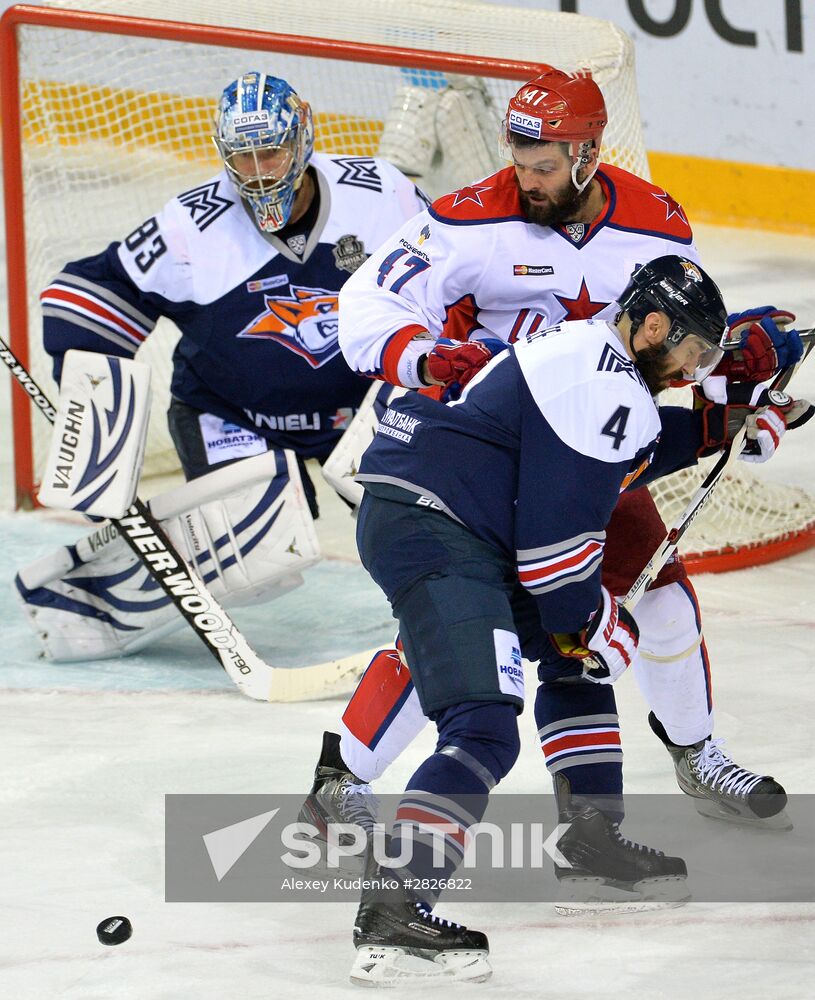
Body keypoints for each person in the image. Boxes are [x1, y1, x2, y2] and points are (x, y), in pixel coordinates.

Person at [302, 67, 806, 867]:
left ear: (587, 155)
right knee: (472, 625)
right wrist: (430, 358)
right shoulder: (467, 217)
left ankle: (684, 761)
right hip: (486, 454)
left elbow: (678, 328)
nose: (524, 179)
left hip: (590, 451)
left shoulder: (654, 222)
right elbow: (367, 306)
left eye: (543, 165)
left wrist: (730, 389)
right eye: (518, 158)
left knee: (653, 606)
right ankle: (341, 778)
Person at [346, 256, 811, 985]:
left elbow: (635, 447)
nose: (692, 370)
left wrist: (729, 420)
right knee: (483, 724)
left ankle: (592, 842)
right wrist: (604, 626)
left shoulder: (595, 357)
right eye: (690, 352)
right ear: (652, 325)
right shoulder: (601, 379)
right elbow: (555, 567)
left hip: (455, 517)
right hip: (437, 526)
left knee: (574, 658)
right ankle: (395, 909)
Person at [17, 71, 428, 661]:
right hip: (233, 416)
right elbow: (89, 290)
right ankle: (86, 602)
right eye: (242, 156)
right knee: (260, 561)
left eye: (272, 150)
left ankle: (503, 596)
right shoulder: (192, 225)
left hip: (361, 409)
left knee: (420, 513)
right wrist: (94, 412)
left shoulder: (381, 195)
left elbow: (451, 282)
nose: (258, 171)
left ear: (304, 136)